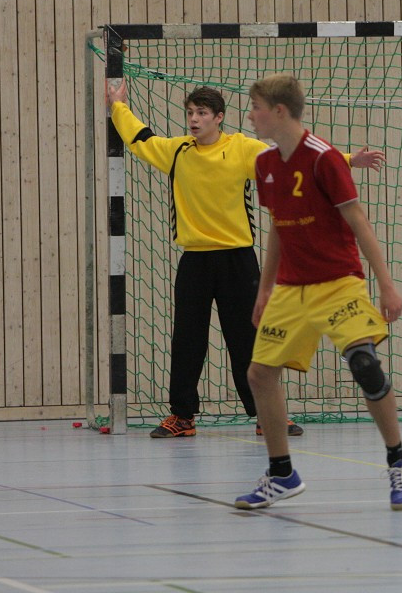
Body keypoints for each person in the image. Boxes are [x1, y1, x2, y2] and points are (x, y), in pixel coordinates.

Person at [107, 81, 382, 439]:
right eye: (190, 113)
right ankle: (182, 416)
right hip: (195, 261)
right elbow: (139, 138)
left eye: (202, 113)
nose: (194, 119)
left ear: (218, 118)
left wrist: (349, 160)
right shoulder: (177, 152)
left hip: (238, 260)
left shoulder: (242, 148)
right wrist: (117, 106)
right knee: (187, 340)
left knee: (248, 340)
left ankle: (266, 415)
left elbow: (294, 154)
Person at [234, 73, 402, 510]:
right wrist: (265, 289)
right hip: (292, 289)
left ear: (279, 112)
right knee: (259, 375)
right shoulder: (264, 164)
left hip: (338, 283)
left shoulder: (324, 158)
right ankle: (282, 473)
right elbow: (278, 228)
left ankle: (398, 462)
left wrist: (386, 284)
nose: (251, 115)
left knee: (364, 364)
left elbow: (358, 222)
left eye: (256, 107)